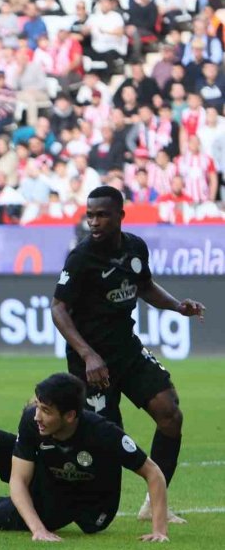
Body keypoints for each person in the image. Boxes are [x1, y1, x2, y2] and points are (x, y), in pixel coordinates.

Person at [51, 185, 206, 523]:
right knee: (106, 437)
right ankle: (68, 494)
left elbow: (145, 286)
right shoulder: (81, 258)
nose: (94, 222)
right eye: (90, 215)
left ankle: (154, 504)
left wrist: (177, 306)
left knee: (170, 413)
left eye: (102, 215)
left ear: (120, 215)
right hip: (91, 362)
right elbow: (58, 308)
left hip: (127, 350)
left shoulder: (135, 247)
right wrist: (88, 355)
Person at [0, 373, 170, 543]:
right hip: (46, 468)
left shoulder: (103, 433)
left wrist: (159, 531)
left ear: (70, 416)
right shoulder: (33, 420)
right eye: (37, 406)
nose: (37, 415)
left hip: (76, 502)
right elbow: (18, 480)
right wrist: (37, 530)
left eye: (46, 410)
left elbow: (153, 473)